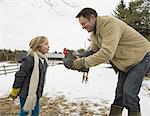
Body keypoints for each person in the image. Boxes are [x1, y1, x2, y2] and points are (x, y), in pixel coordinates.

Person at [63, 7, 150, 116]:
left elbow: (106, 53)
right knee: (119, 96)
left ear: (92, 18)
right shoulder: (94, 34)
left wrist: (80, 63)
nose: (83, 27)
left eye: (84, 23)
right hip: (126, 63)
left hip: (141, 57)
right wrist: (77, 58)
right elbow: (93, 51)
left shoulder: (110, 24)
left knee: (129, 94)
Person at [9, 36, 49, 116]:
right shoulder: (29, 59)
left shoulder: (43, 60)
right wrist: (14, 91)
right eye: (46, 44)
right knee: (25, 112)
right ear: (38, 46)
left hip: (36, 93)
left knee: (35, 112)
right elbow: (20, 76)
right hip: (26, 93)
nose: (48, 46)